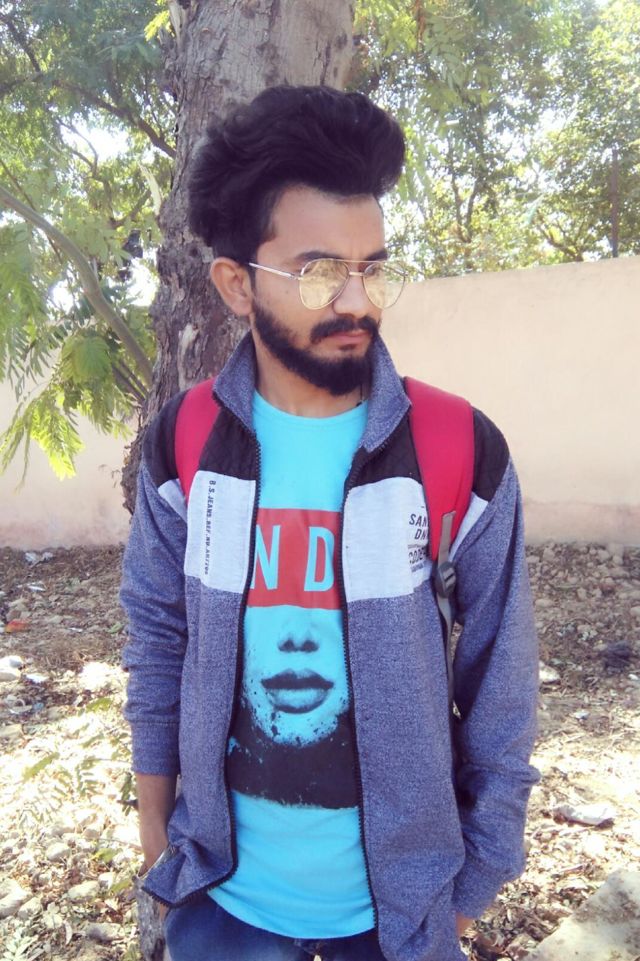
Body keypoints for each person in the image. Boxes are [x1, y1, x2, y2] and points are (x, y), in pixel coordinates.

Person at [120, 85, 539, 961]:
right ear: (237, 285)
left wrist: (473, 888)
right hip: (223, 899)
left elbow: (502, 676)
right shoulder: (186, 444)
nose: (357, 301)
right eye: (319, 273)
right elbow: (158, 636)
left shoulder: (456, 447)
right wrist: (159, 836)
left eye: (373, 268)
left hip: (399, 916)